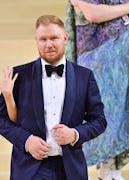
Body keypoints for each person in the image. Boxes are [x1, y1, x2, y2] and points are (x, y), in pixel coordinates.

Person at [0, 14, 107, 180]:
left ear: (65, 38)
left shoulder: (85, 76)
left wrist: (75, 134)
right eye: (43, 39)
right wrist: (26, 141)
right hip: (29, 168)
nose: (49, 44)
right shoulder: (18, 75)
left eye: (54, 38)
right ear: (36, 41)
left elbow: (99, 120)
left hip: (70, 169)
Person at [65, 0, 129, 179]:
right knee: (105, 113)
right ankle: (107, 169)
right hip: (98, 56)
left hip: (122, 59)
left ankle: (112, 169)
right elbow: (92, 14)